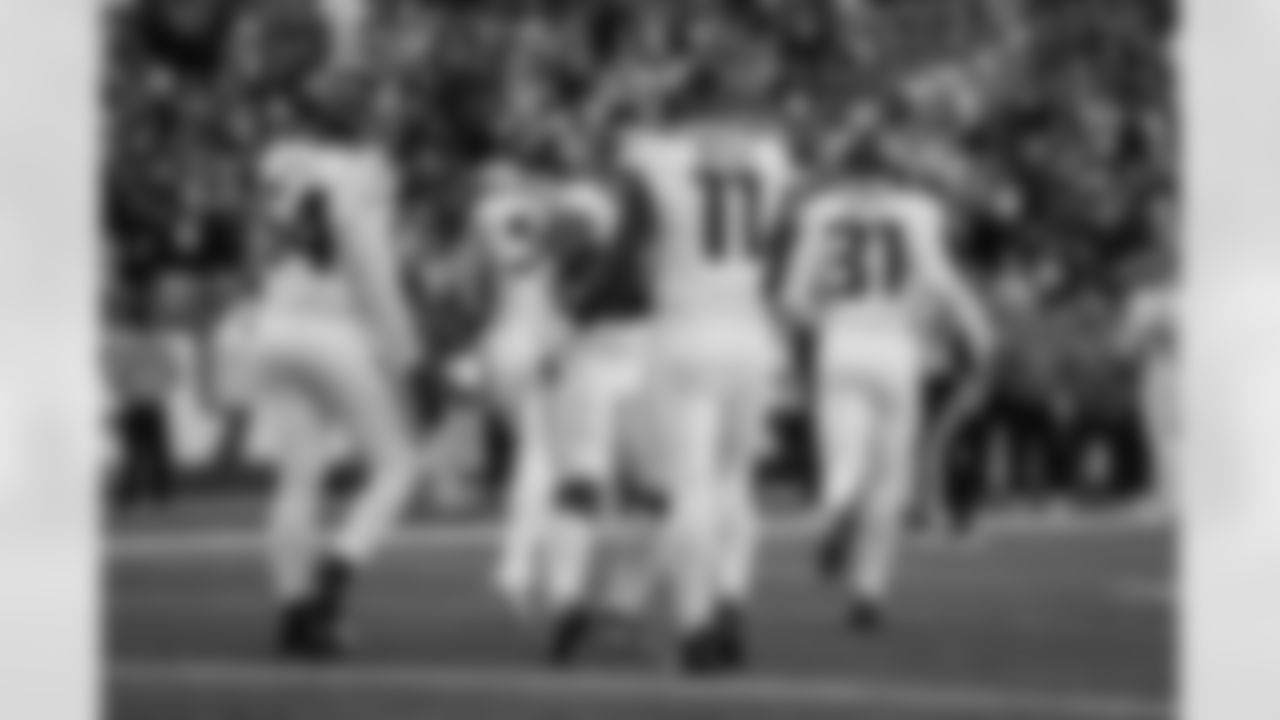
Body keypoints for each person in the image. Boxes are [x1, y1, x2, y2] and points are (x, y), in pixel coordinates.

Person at [225, 103, 436, 659]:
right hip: (332, 327)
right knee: (399, 464)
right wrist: (410, 357)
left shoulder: (283, 164)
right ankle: (333, 582)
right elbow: (374, 272)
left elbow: (258, 240)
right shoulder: (365, 170)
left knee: (299, 477)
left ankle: (294, 614)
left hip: (273, 321)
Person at [614, 99, 796, 672]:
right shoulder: (770, 159)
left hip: (684, 329)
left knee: (689, 487)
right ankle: (732, 600)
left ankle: (695, 624)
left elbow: (628, 250)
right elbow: (782, 247)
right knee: (735, 481)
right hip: (750, 332)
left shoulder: (656, 157)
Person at [780, 140, 992, 630]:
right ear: (891, 174)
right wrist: (976, 331)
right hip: (898, 346)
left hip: (842, 340)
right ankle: (869, 593)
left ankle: (837, 509)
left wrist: (823, 324)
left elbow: (793, 297)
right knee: (890, 476)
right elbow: (939, 278)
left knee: (844, 458)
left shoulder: (820, 212)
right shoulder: (919, 211)